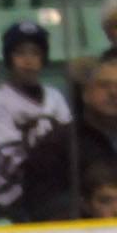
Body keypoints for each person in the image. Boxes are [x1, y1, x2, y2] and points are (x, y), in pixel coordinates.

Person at [17, 54, 117, 219]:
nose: (114, 92)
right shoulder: (56, 144)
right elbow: (45, 206)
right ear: (86, 93)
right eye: (104, 85)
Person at [0, 20, 68, 209]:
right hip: (13, 192)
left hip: (53, 185)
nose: (28, 60)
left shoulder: (55, 97)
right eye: (20, 53)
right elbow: (7, 155)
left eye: (35, 53)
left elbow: (69, 142)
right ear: (8, 58)